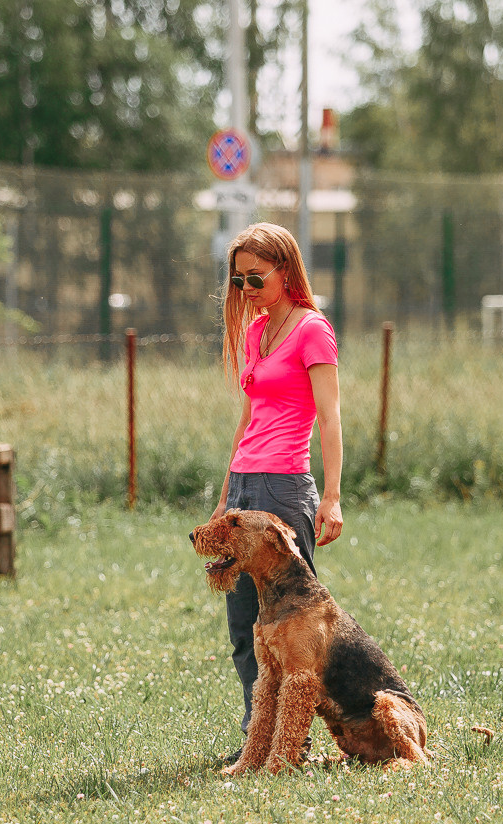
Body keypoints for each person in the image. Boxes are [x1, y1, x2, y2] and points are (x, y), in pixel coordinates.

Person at [210, 222, 344, 761]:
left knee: (290, 623)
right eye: (238, 281)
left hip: (285, 490)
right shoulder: (253, 332)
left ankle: (295, 742)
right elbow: (246, 422)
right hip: (244, 486)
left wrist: (332, 496)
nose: (246, 290)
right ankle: (256, 739)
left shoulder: (313, 330)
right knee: (244, 622)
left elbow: (331, 421)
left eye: (255, 278)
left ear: (285, 271)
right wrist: (225, 498)